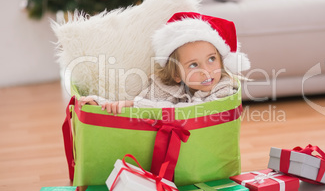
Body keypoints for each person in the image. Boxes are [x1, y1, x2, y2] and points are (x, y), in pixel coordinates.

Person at [78, 12, 250, 114]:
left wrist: (135, 105)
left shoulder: (224, 88)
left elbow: (190, 114)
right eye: (193, 65)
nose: (206, 71)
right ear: (176, 74)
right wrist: (101, 103)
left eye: (211, 59)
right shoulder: (164, 89)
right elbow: (138, 107)